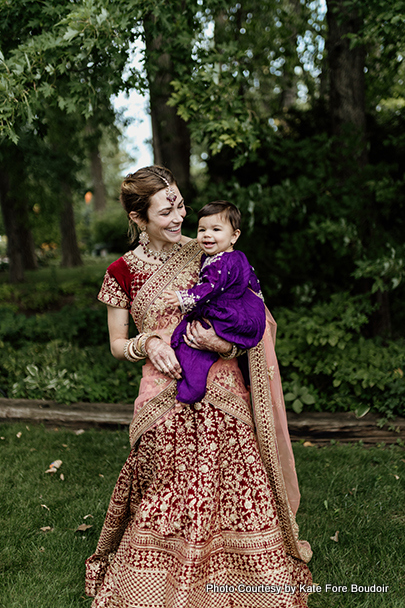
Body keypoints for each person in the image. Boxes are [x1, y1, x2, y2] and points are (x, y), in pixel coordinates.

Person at [85, 165, 312, 608]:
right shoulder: (121, 272)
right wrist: (148, 342)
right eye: (166, 211)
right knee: (166, 477)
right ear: (138, 218)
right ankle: (157, 582)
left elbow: (257, 318)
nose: (180, 218)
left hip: (222, 383)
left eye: (181, 206)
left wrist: (223, 342)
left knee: (235, 471)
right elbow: (116, 343)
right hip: (160, 390)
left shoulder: (213, 251)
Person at [163, 200, 266, 404]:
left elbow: (210, 287)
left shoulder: (220, 262)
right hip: (236, 310)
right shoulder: (233, 256)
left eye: (216, 229)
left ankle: (192, 388)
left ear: (234, 236)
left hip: (224, 312)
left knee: (189, 341)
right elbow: (252, 279)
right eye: (202, 229)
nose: (207, 235)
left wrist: (183, 297)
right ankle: (242, 378)